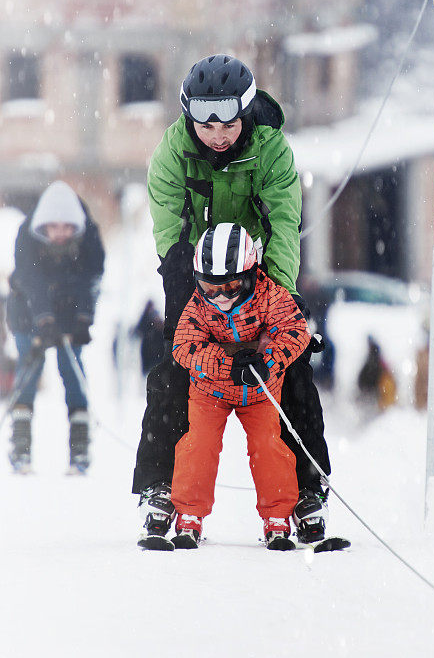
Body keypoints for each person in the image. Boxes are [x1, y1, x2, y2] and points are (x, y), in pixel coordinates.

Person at [133, 54, 332, 545]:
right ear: (189, 117)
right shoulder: (171, 154)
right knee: (173, 368)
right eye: (205, 121)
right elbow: (169, 234)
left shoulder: (271, 150)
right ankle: (160, 484)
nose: (217, 133)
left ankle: (307, 489)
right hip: (196, 272)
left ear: (245, 112)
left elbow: (283, 222)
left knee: (294, 367)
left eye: (227, 120)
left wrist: (279, 297)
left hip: (258, 266)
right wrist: (186, 301)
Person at [140, 223, 309, 551]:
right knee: (198, 444)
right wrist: (226, 365)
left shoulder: (269, 295)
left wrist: (268, 361)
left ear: (249, 275)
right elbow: (184, 347)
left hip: (260, 392)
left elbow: (296, 330)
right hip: (210, 391)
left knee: (268, 445)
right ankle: (189, 514)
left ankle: (278, 516)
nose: (221, 297)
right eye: (210, 287)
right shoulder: (198, 305)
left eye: (230, 287)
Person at [6, 180, 105, 473]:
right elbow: (30, 281)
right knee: (29, 369)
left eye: (66, 227)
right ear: (43, 225)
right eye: (53, 227)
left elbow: (90, 278)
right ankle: (20, 447)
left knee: (72, 370)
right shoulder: (27, 234)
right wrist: (44, 320)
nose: (60, 233)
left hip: (70, 313)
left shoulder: (89, 237)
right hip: (28, 313)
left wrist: (83, 320)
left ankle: (80, 448)